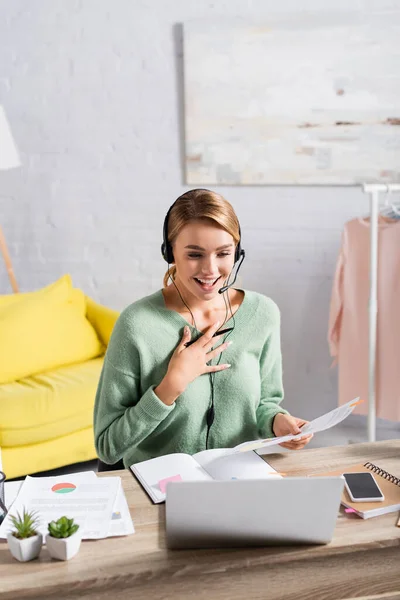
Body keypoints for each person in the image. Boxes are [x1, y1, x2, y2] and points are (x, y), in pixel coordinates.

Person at [94, 189, 312, 468]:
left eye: (223, 253)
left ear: (238, 252)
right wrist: (170, 386)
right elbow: (108, 447)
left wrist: (277, 422)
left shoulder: (263, 313)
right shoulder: (137, 324)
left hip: (235, 481)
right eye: (195, 254)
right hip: (159, 486)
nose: (210, 269)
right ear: (169, 252)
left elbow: (265, 404)